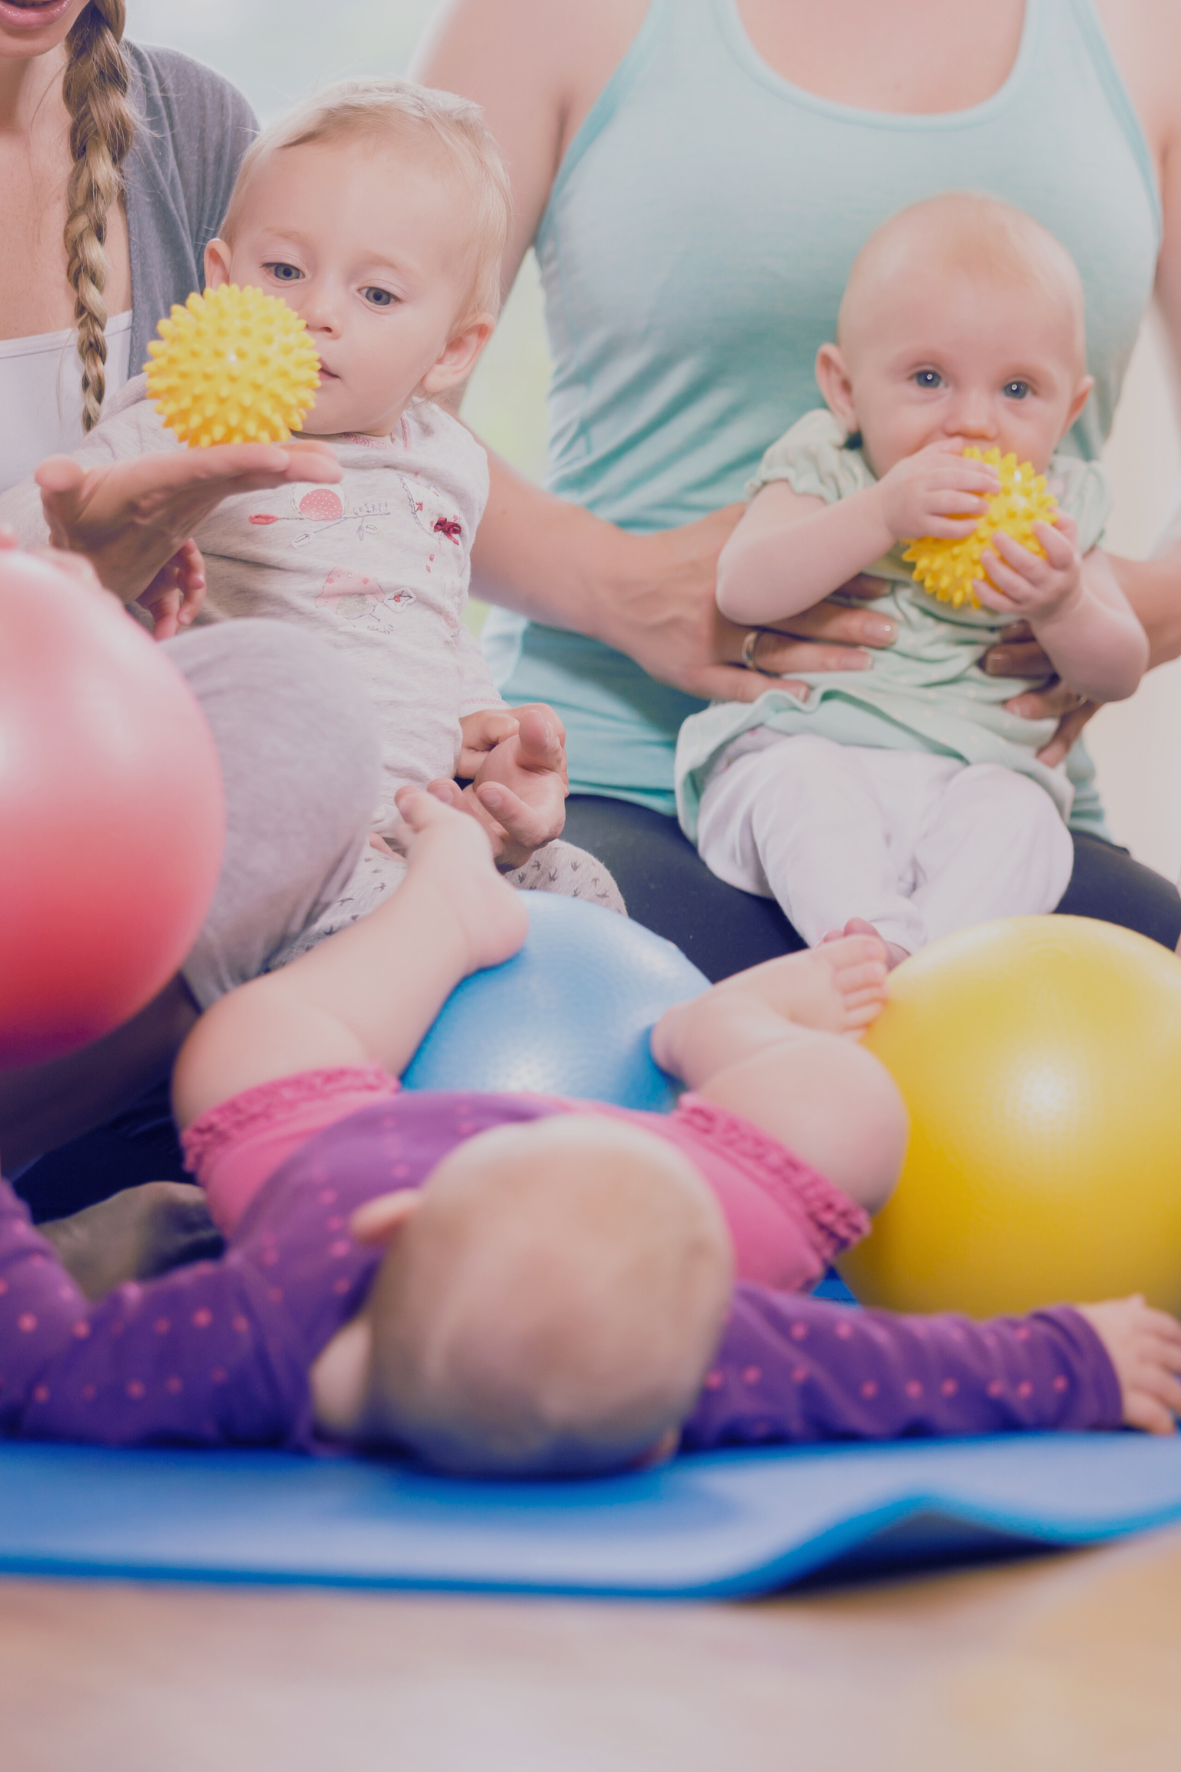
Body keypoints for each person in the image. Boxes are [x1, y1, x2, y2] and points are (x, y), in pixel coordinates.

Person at [2, 791, 1179, 1471]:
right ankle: (722, 1034)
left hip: (333, 1158)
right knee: (852, 1106)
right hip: (688, 1176)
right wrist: (1066, 1360)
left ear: (392, 1227)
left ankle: (442, 908)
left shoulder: (244, 1335)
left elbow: (39, 1351)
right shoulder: (699, 1340)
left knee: (249, 1042)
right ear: (679, 1427)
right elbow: (899, 1370)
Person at [414, 0, 1181, 977]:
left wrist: (1102, 607)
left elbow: (1111, 624)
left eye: (1018, 391)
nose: (970, 418)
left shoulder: (1146, 29)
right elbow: (339, 377)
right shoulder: (551, 19)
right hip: (615, 771)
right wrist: (611, 580)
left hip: (992, 781)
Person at [0, 77, 620, 904]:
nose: (317, 310)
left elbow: (425, 606)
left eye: (376, 294)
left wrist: (478, 719)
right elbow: (28, 553)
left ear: (452, 351)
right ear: (220, 278)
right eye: (285, 269)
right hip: (267, 832)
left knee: (586, 888)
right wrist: (70, 539)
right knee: (395, 931)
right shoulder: (181, 422)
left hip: (426, 814)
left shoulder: (445, 459)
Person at [676, 196, 1148, 964]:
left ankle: (926, 976)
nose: (972, 422)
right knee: (800, 784)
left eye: (1018, 390)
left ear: (1070, 410)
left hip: (974, 776)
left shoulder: (1061, 506)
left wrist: (1064, 604)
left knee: (1024, 821)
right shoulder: (828, 463)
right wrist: (877, 514)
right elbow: (742, 588)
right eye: (928, 378)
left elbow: (1118, 669)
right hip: (807, 746)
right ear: (845, 388)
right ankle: (875, 950)